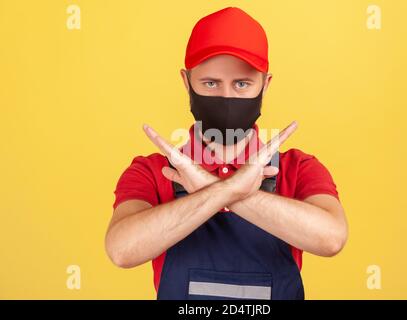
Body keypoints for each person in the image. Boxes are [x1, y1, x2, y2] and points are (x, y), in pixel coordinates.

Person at [105, 7, 348, 300]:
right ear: (186, 82)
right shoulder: (153, 171)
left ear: (265, 85)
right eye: (210, 83)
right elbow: (122, 250)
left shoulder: (299, 168)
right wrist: (230, 190)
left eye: (242, 84)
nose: (227, 96)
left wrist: (212, 190)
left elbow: (331, 238)